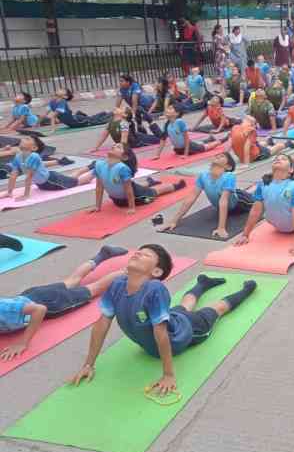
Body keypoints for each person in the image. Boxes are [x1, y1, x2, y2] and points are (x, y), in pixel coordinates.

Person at [69, 245, 258, 395]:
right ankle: (203, 283)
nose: (138, 254)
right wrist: (88, 364)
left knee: (216, 309)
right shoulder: (117, 285)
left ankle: (247, 289)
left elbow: (160, 332)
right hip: (173, 321)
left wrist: (168, 375)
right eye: (139, 252)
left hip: (186, 332)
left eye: (146, 255)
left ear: (157, 272)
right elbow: (102, 323)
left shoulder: (154, 288)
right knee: (183, 307)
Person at [0, 245, 129, 361]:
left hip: (51, 302)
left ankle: (130, 271)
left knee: (94, 288)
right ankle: (102, 255)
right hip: (34, 295)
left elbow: (39, 310)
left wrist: (23, 343)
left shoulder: (4, 309)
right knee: (72, 281)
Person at [159, 152, 255, 239]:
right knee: (235, 191)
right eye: (217, 155)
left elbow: (223, 200)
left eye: (222, 156)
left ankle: (254, 188)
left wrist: (221, 228)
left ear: (228, 167)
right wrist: (174, 221)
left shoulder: (229, 176)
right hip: (225, 201)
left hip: (239, 204)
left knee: (255, 199)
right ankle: (242, 190)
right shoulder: (203, 176)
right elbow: (191, 197)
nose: (218, 156)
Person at [90, 143, 185, 213]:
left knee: (154, 192)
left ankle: (176, 186)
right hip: (117, 201)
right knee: (133, 185)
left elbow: (129, 190)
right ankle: (150, 182)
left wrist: (132, 207)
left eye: (118, 147)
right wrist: (97, 207)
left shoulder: (122, 168)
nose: (114, 146)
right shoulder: (99, 164)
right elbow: (99, 187)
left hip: (136, 198)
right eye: (113, 146)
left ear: (124, 157)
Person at [4, 136, 94, 200]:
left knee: (79, 181)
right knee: (71, 178)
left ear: (34, 147)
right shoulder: (18, 156)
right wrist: (9, 192)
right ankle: (89, 167)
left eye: (28, 139)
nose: (24, 139)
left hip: (52, 181)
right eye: (25, 138)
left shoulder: (34, 156)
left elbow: (29, 176)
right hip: (42, 184)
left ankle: (95, 169)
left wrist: (26, 195)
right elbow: (13, 175)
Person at [153, 106, 225, 160]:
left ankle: (223, 140)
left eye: (171, 109)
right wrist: (157, 155)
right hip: (178, 150)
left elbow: (186, 139)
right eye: (167, 109)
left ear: (176, 113)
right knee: (197, 143)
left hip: (189, 147)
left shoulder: (180, 122)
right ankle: (209, 139)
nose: (167, 110)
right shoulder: (167, 124)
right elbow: (163, 140)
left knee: (206, 147)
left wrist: (186, 154)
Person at [42, 89, 110, 133]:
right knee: (91, 118)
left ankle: (110, 113)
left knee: (97, 121)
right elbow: (45, 114)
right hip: (73, 122)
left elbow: (53, 116)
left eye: (62, 90)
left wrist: (52, 130)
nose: (60, 90)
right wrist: (36, 124)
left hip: (77, 121)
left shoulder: (62, 101)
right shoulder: (52, 101)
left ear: (65, 97)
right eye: (60, 89)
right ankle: (104, 112)